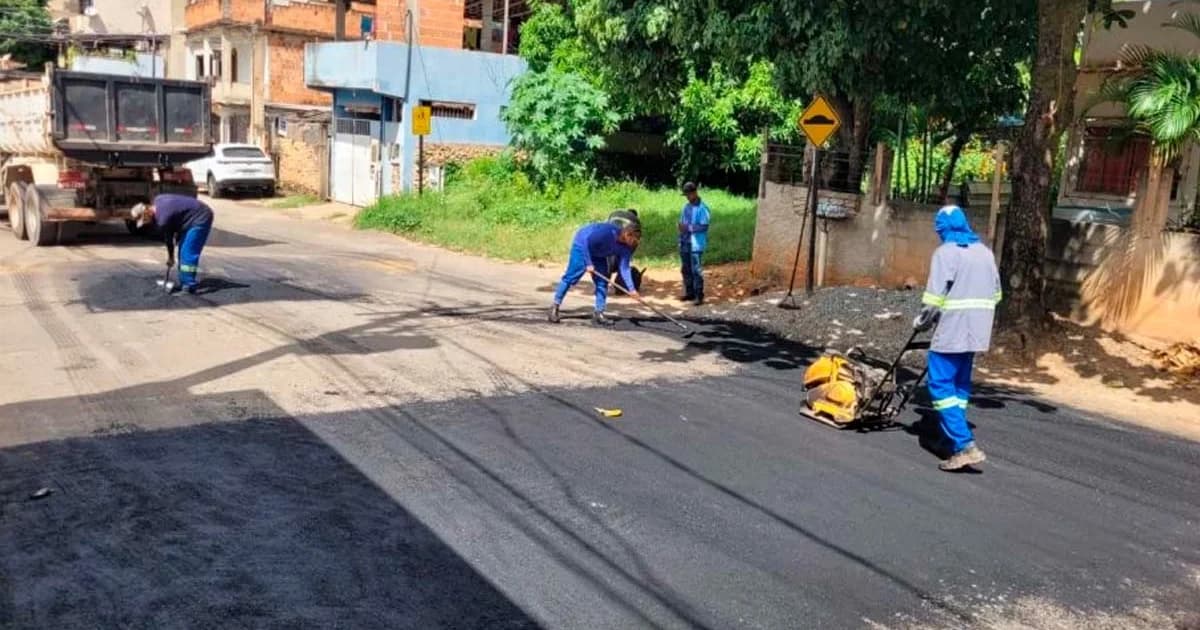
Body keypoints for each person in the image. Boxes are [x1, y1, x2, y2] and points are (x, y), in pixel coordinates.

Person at [913, 205, 1002, 471]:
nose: (938, 231)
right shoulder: (984, 252)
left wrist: (922, 322)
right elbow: (997, 294)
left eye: (938, 227)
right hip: (978, 330)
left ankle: (964, 445)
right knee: (959, 386)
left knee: (940, 385)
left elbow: (933, 299)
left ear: (943, 227)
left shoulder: (946, 253)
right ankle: (949, 441)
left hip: (953, 329)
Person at [549, 220, 641, 327]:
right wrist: (588, 263)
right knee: (570, 277)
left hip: (599, 254)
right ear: (627, 234)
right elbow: (586, 241)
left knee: (602, 282)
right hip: (582, 247)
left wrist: (631, 289)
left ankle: (599, 313)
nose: (635, 243)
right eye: (634, 239)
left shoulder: (626, 248)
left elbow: (624, 268)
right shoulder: (607, 233)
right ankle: (555, 306)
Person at [130, 194, 214, 294]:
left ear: (147, 212)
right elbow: (176, 212)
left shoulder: (163, 219)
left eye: (144, 219)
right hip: (190, 217)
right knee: (182, 250)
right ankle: (184, 282)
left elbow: (169, 240)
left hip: (200, 217)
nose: (146, 223)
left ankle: (189, 286)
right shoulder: (158, 199)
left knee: (187, 252)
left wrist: (171, 257)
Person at [678, 182, 710, 305]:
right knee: (685, 269)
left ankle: (699, 295)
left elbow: (704, 226)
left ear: (695, 192)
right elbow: (682, 223)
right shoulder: (685, 207)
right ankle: (689, 293)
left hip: (696, 243)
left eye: (688, 194)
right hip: (684, 241)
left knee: (696, 269)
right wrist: (681, 233)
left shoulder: (703, 208)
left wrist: (688, 228)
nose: (687, 197)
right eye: (686, 195)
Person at [607, 209, 643, 293]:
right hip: (626, 240)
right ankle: (621, 284)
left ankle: (603, 283)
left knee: (608, 261)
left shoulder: (615, 213)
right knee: (623, 261)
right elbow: (636, 237)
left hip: (610, 237)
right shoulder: (635, 220)